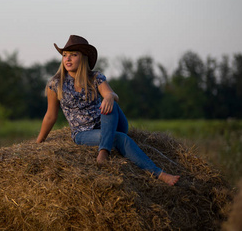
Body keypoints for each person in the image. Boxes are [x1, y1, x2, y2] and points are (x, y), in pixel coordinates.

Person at [36, 35, 180, 186]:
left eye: (73, 54)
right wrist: (38, 143)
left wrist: (110, 96)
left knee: (111, 104)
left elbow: (111, 95)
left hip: (110, 123)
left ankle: (104, 149)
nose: (68, 59)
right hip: (84, 133)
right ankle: (160, 174)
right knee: (120, 139)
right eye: (65, 55)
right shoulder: (55, 84)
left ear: (83, 58)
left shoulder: (95, 77)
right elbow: (50, 116)